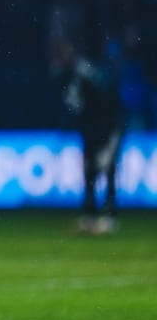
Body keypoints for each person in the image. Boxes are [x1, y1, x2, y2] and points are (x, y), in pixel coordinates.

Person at [51, 36, 124, 235]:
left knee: (107, 169)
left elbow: (106, 102)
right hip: (91, 129)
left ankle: (110, 216)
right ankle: (90, 215)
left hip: (109, 128)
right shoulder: (69, 75)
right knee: (89, 171)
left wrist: (107, 132)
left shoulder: (85, 73)